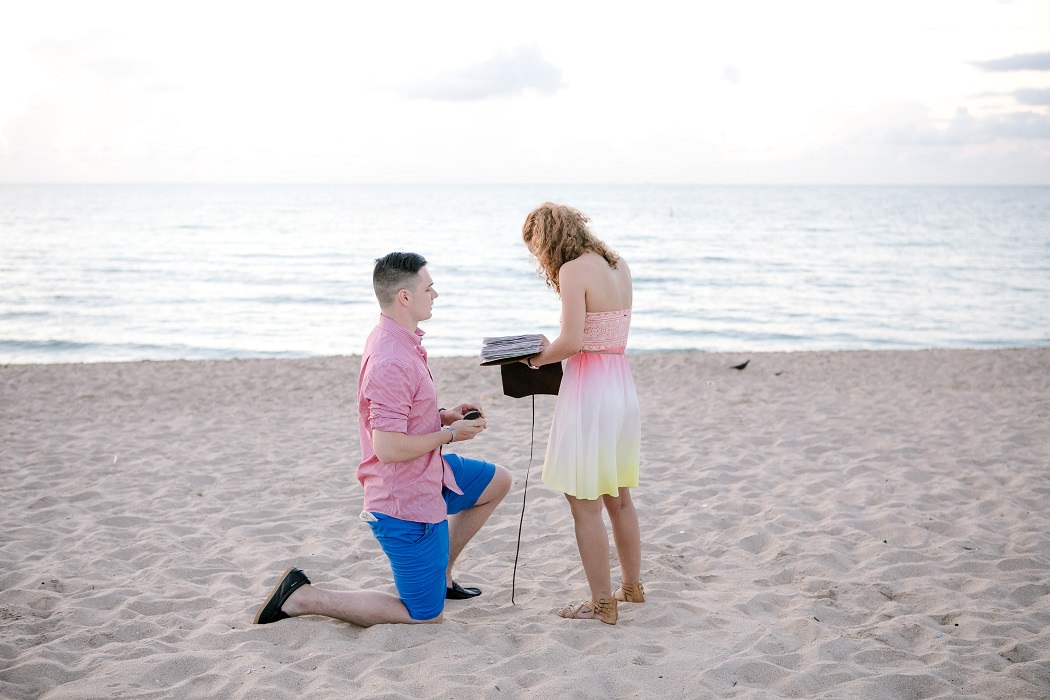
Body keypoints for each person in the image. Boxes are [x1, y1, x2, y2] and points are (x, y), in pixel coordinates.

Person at [253, 252, 512, 627]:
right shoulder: (391, 358)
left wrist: (444, 416)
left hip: (429, 470)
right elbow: (388, 447)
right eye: (429, 287)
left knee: (497, 481)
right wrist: (451, 434)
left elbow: (402, 418)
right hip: (404, 499)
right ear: (405, 297)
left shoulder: (399, 339)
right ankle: (301, 596)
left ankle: (441, 573)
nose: (436, 294)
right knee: (425, 615)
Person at [520, 203, 644, 625]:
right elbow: (604, 332)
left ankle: (602, 603)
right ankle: (631, 587)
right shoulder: (618, 265)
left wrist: (533, 360)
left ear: (549, 239)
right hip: (620, 384)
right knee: (619, 497)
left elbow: (572, 341)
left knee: (583, 501)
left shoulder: (574, 269)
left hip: (589, 387)